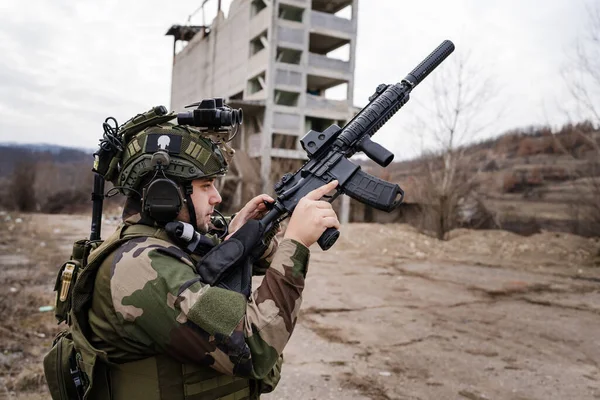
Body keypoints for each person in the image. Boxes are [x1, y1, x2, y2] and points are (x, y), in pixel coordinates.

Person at [72, 112, 340, 399]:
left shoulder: (167, 241)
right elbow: (253, 347)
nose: (217, 197)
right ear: (165, 194)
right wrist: (295, 244)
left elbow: (207, 274)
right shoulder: (140, 265)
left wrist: (236, 240)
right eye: (205, 186)